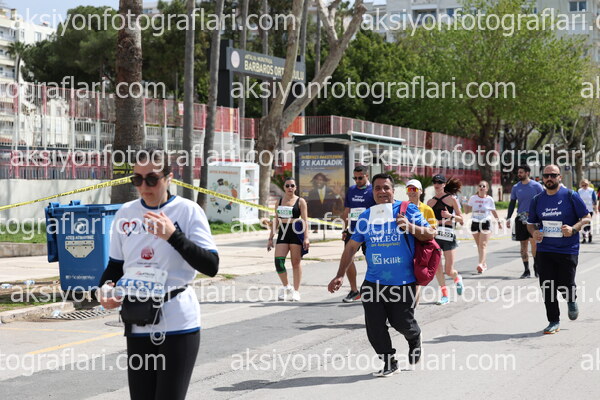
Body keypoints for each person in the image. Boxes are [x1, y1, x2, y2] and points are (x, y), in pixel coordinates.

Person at [98, 149, 219, 400]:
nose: (144, 187)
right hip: (138, 318)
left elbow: (211, 265)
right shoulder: (125, 213)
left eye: (152, 179)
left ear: (169, 178)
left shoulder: (187, 211)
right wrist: (105, 289)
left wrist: (173, 236)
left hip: (178, 320)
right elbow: (115, 267)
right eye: (137, 179)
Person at [328, 173, 436, 376]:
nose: (382, 192)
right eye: (377, 188)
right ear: (373, 192)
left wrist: (409, 226)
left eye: (386, 187)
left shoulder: (407, 209)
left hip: (403, 281)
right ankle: (389, 361)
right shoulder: (366, 216)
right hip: (373, 281)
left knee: (401, 322)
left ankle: (414, 336)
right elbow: (351, 247)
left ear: (393, 191)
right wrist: (340, 275)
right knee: (374, 326)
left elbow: (430, 233)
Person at [527, 165, 591, 334]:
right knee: (547, 286)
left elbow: (587, 217)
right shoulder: (537, 199)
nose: (549, 178)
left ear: (559, 177)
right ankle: (553, 321)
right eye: (546, 175)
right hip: (545, 249)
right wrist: (534, 233)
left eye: (553, 175)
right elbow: (530, 223)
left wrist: (573, 229)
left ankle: (571, 299)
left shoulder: (570, 195)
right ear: (542, 178)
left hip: (567, 249)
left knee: (565, 284)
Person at [268, 177, 309, 301]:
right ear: (284, 188)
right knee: (278, 262)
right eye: (287, 186)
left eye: (292, 186)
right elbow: (276, 220)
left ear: (296, 187)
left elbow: (305, 220)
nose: (290, 188)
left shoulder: (300, 201)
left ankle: (296, 291)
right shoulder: (279, 201)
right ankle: (287, 286)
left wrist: (306, 237)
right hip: (283, 232)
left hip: (296, 231)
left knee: (295, 263)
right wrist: (270, 237)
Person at [340, 166, 376, 303]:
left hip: (369, 231)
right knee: (347, 258)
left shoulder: (373, 190)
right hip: (353, 230)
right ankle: (354, 291)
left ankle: (373, 290)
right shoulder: (351, 190)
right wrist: (344, 229)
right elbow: (347, 211)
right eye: (355, 178)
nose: (357, 180)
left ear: (367, 176)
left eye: (360, 178)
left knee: (371, 260)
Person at [427, 174, 464, 305]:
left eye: (439, 182)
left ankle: (456, 277)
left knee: (448, 270)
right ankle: (444, 295)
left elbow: (461, 219)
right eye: (434, 182)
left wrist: (450, 216)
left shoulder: (451, 199)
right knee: (437, 267)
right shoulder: (430, 202)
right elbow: (428, 221)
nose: (436, 184)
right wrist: (437, 222)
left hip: (448, 236)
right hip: (435, 236)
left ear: (444, 184)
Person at [506, 165, 544, 278]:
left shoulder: (537, 186)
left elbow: (543, 201)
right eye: (518, 172)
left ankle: (536, 267)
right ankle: (526, 270)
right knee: (523, 245)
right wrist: (508, 217)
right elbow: (512, 203)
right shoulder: (516, 187)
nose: (519, 174)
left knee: (534, 243)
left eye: (521, 172)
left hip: (533, 218)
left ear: (527, 173)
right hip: (520, 218)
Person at [465, 180, 500, 273]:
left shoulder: (489, 199)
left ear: (487, 189)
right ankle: (483, 264)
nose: (481, 187)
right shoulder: (473, 198)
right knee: (479, 245)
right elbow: (466, 211)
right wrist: (464, 202)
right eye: (480, 186)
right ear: (477, 188)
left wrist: (498, 221)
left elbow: (493, 211)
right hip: (475, 223)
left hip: (485, 222)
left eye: (484, 186)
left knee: (483, 245)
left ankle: (480, 264)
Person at [578, 179, 597, 243]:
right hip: (581, 209)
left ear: (588, 184)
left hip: (589, 209)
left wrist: (596, 209)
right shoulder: (579, 191)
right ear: (581, 185)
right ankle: (584, 238)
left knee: (588, 223)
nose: (584, 186)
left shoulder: (591, 190)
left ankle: (589, 235)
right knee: (582, 223)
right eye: (583, 185)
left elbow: (594, 200)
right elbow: (577, 200)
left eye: (586, 185)